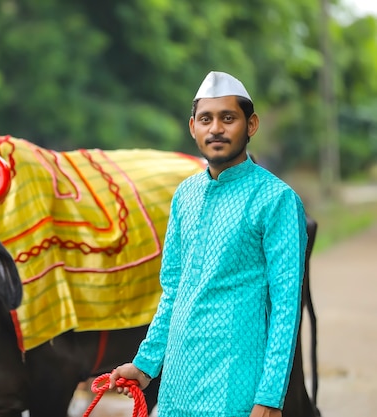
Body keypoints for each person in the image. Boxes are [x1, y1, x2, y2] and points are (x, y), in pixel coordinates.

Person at [108, 71, 308, 417]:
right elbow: (173, 290)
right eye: (206, 119)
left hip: (237, 385)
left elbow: (286, 307)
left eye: (228, 118)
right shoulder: (185, 195)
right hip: (176, 385)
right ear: (193, 128)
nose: (216, 128)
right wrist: (144, 366)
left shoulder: (277, 200)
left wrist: (270, 396)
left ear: (251, 124)